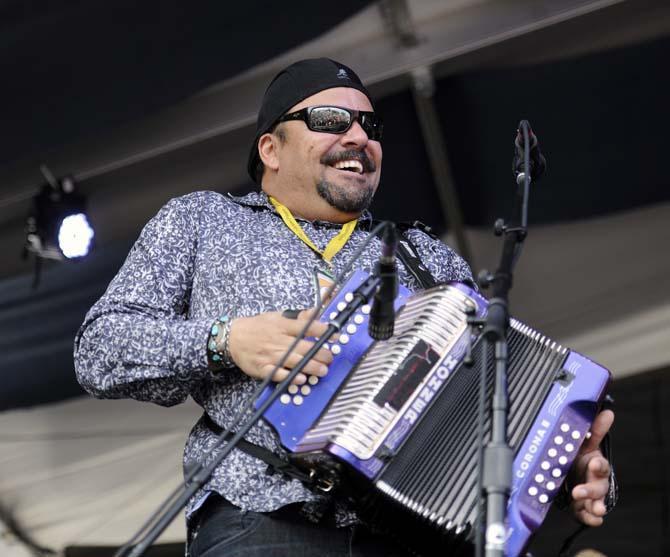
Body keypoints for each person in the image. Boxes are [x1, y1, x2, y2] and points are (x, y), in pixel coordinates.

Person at [74, 58, 616, 556]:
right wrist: (224, 341)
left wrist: (566, 468)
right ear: (271, 148)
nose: (358, 136)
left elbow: (488, 408)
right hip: (262, 520)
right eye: (331, 119)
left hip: (409, 536)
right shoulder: (203, 222)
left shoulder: (423, 255)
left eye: (370, 127)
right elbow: (99, 350)